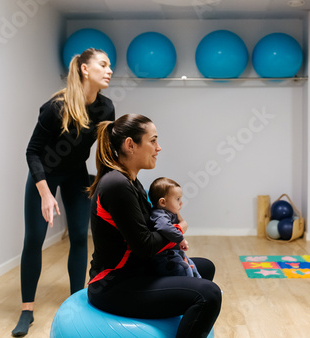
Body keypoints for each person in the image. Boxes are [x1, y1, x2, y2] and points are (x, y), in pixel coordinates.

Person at [87, 114, 221, 338]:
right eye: (153, 141)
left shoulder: (131, 181)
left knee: (205, 267)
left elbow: (152, 228)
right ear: (131, 145)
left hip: (138, 271)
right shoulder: (116, 184)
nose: (158, 148)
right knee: (210, 294)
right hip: (113, 285)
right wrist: (179, 230)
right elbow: (145, 246)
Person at [13, 48, 115, 337]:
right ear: (85, 69)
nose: (109, 70)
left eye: (110, 66)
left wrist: (105, 183)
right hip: (43, 175)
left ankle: (77, 301)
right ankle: (26, 310)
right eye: (104, 65)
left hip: (76, 175)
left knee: (81, 236)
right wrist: (45, 193)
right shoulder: (55, 107)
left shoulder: (106, 108)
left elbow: (105, 151)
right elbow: (32, 152)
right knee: (34, 238)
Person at [148, 177, 201, 278]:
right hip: (164, 256)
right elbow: (165, 228)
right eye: (177, 199)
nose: (181, 203)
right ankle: (190, 287)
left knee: (192, 266)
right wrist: (181, 239)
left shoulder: (169, 213)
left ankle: (202, 286)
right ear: (163, 202)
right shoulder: (159, 215)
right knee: (184, 268)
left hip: (174, 252)